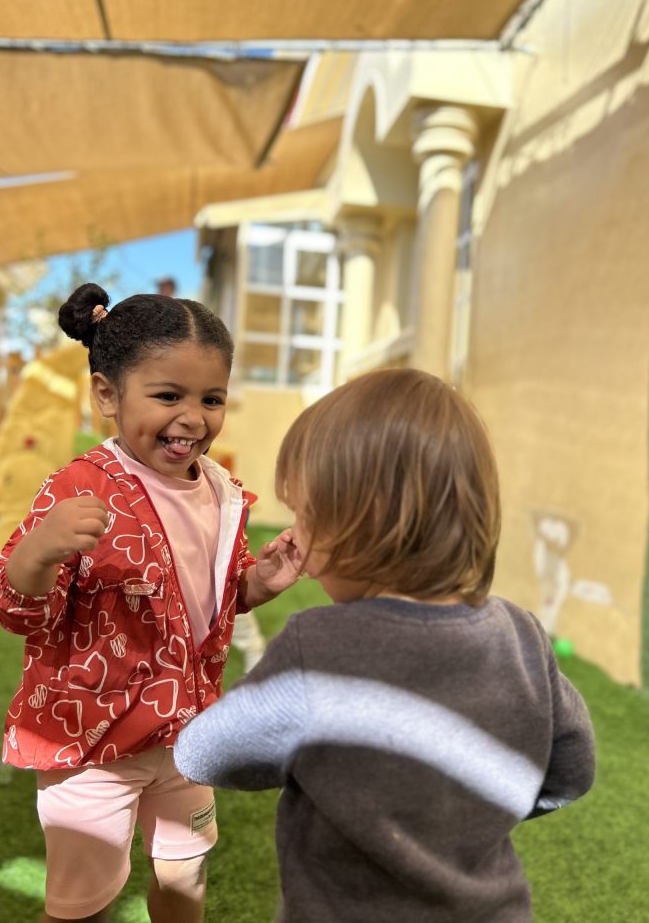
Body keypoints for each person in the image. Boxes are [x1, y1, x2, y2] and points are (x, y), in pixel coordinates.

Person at [174, 368, 596, 923]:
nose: (295, 533)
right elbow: (572, 771)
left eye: (304, 512)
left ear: (357, 523)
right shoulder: (523, 636)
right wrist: (470, 807)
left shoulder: (317, 649)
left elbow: (204, 754)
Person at [0, 282, 302, 923]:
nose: (193, 417)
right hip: (90, 743)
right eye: (167, 396)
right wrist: (39, 549)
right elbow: (15, 608)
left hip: (185, 736)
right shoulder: (78, 487)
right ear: (107, 394)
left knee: (185, 882)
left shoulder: (219, 490)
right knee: (82, 904)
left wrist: (255, 585)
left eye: (212, 399)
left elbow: (205, 598)